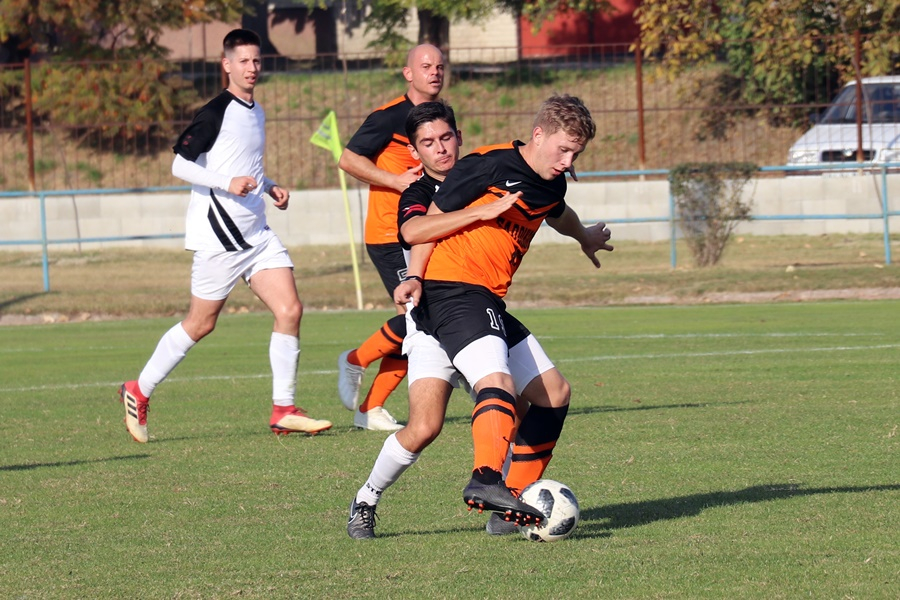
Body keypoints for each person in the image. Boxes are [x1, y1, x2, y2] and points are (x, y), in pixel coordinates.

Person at [376, 95, 612, 532]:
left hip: (487, 298)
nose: (568, 160)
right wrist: (414, 275)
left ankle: (511, 505)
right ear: (538, 134)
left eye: (576, 153)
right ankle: (486, 479)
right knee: (487, 387)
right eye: (562, 149)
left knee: (554, 393)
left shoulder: (551, 181)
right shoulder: (486, 166)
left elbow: (556, 213)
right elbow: (427, 223)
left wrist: (584, 236)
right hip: (454, 289)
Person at [118, 29, 331, 443]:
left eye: (256, 60)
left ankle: (283, 409)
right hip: (221, 235)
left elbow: (245, 164)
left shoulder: (258, 111)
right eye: (244, 61)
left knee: (290, 310)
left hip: (257, 232)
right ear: (227, 64)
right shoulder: (215, 110)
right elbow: (181, 165)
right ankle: (138, 389)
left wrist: (270, 186)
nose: (252, 68)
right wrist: (225, 183)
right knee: (200, 324)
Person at [346, 100, 518, 538]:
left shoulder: (484, 178)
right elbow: (414, 231)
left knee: (519, 397)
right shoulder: (417, 194)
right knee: (424, 427)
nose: (440, 148)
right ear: (416, 153)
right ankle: (365, 498)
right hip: (431, 320)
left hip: (475, 311)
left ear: (459, 138)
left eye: (445, 138)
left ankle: (504, 499)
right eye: (428, 143)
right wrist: (478, 214)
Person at [336, 44, 445, 432]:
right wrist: (394, 180)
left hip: (422, 230)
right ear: (408, 73)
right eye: (425, 66)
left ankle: (370, 407)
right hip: (388, 234)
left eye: (439, 66)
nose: (434, 72)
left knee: (422, 320)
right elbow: (347, 159)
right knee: (417, 317)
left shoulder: (438, 118)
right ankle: (357, 360)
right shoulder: (388, 118)